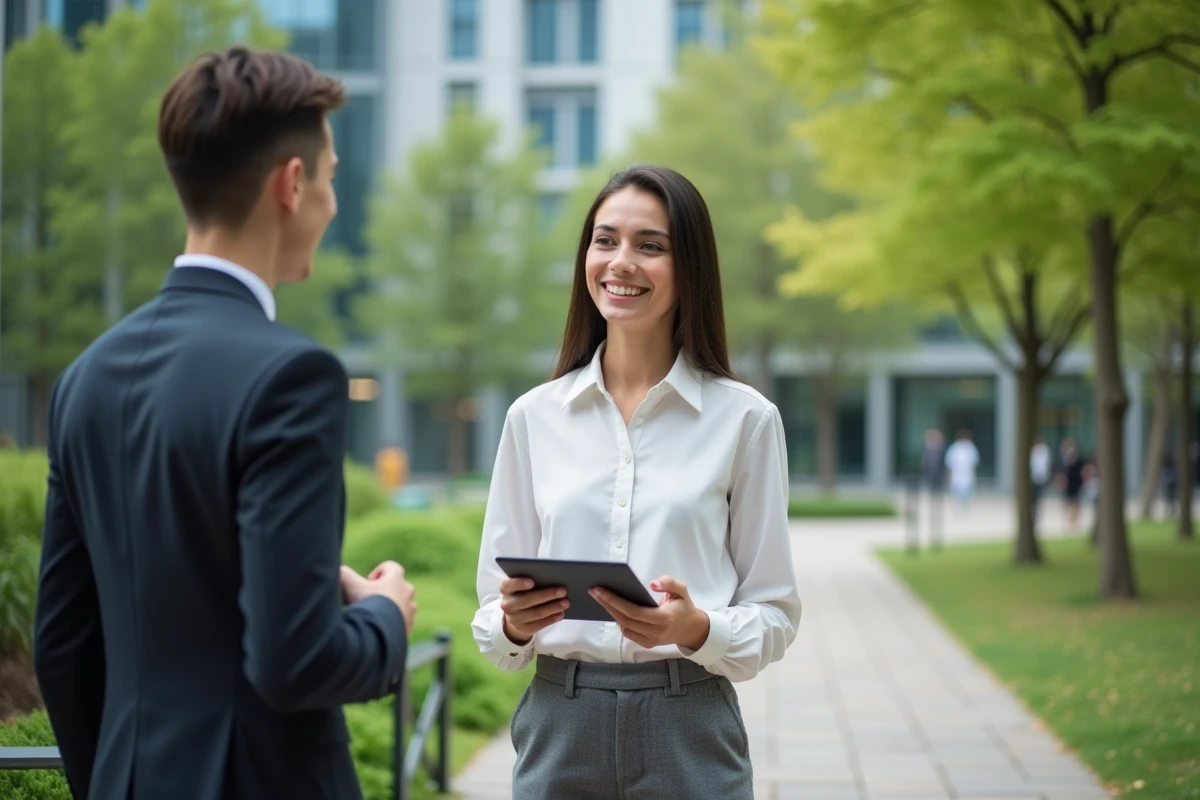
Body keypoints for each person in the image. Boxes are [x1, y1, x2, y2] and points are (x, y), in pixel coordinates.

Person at [32, 46, 416, 800]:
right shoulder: (292, 376)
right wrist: (385, 620)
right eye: (332, 179)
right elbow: (293, 659)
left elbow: (61, 647)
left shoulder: (85, 378)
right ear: (293, 183)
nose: (333, 206)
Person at [472, 165, 802, 799]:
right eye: (605, 240)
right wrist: (514, 623)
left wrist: (694, 628)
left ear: (691, 270)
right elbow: (491, 616)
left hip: (690, 722)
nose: (621, 262)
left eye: (650, 245)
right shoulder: (533, 418)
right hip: (559, 722)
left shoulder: (746, 420)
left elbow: (775, 615)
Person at [944, 428, 980, 508]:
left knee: (967, 490)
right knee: (956, 490)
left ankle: (964, 505)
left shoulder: (970, 448)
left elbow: (974, 462)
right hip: (956, 474)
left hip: (967, 474)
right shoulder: (954, 448)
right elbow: (950, 463)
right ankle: (958, 505)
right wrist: (948, 476)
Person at [1030, 435, 1052, 522]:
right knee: (1034, 496)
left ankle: (1037, 510)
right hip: (1034, 477)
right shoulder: (1033, 450)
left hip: (1042, 477)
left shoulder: (1045, 450)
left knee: (1039, 495)